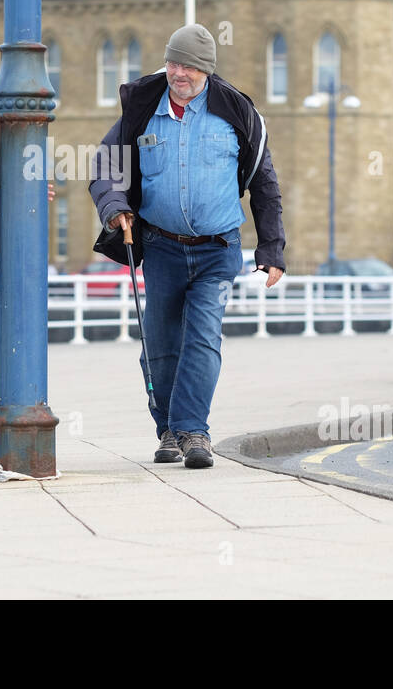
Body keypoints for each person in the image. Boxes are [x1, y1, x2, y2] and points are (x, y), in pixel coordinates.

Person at [89, 24, 285, 469]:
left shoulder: (236, 113)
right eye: (174, 62)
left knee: (202, 339)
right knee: (159, 343)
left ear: (207, 71)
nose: (179, 73)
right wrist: (114, 205)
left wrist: (271, 248)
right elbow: (106, 163)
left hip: (218, 250)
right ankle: (168, 431)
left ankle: (194, 432)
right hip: (160, 246)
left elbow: (264, 184)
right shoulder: (142, 110)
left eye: (190, 66)